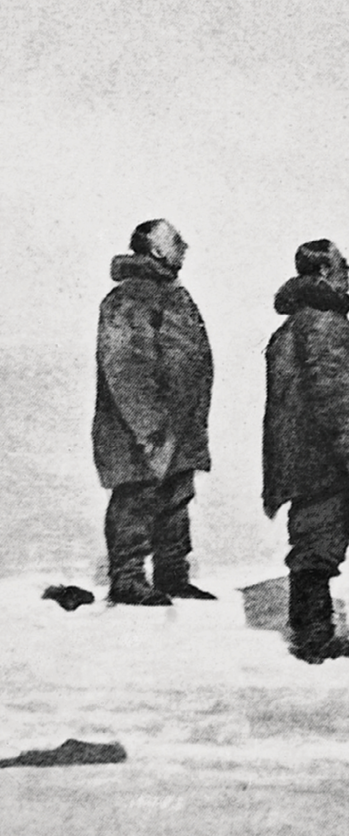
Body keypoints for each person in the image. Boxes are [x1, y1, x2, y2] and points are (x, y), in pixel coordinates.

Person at [262, 240, 349, 663]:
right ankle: (313, 636)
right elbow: (336, 402)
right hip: (324, 460)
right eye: (341, 263)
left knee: (315, 543)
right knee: (318, 546)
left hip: (304, 457)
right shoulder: (324, 325)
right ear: (324, 273)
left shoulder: (299, 322)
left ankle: (312, 630)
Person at [91, 219, 215, 605]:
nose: (185, 245)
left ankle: (172, 575)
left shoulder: (173, 294)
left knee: (176, 496)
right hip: (139, 431)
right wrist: (149, 428)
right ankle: (128, 579)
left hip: (177, 427)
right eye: (177, 240)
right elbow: (124, 368)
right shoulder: (127, 298)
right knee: (137, 495)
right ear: (156, 250)